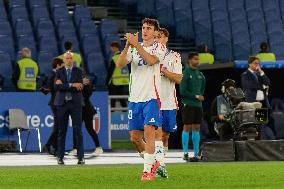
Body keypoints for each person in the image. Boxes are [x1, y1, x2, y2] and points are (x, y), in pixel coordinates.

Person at [116, 18, 166, 181]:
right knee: (134, 138)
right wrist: (127, 46)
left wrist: (136, 44)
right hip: (135, 98)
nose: (145, 30)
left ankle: (147, 172)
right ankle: (153, 163)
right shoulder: (134, 48)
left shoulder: (159, 47)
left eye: (149, 28)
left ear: (155, 32)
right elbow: (120, 64)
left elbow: (151, 60)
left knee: (149, 132)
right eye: (143, 27)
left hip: (151, 97)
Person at [154, 27, 182, 178]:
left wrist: (164, 71)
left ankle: (160, 162)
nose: (157, 39)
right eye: (156, 36)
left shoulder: (174, 56)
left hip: (169, 102)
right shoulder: (150, 55)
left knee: (165, 135)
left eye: (160, 36)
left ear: (166, 39)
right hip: (152, 101)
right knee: (156, 134)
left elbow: (178, 78)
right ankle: (159, 166)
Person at [54, 51, 84, 165]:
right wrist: (72, 85)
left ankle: (81, 157)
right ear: (64, 60)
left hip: (75, 104)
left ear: (73, 60)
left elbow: (80, 85)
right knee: (62, 131)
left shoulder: (78, 71)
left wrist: (64, 85)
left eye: (71, 58)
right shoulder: (59, 71)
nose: (69, 60)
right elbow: (56, 86)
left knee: (78, 131)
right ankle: (60, 157)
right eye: (67, 58)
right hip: (62, 104)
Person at [69, 74, 103, 156]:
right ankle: (75, 149)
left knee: (90, 129)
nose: (86, 80)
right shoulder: (77, 86)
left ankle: (98, 147)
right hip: (78, 111)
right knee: (76, 129)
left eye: (86, 79)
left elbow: (85, 96)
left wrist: (83, 86)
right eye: (83, 79)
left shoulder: (88, 87)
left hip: (87, 111)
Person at [180, 52, 205, 162]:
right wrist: (195, 96)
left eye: (198, 59)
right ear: (190, 60)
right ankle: (185, 153)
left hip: (198, 105)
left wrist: (198, 96)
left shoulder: (200, 75)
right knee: (187, 127)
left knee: (197, 128)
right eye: (195, 59)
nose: (197, 61)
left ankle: (196, 153)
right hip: (188, 104)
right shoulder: (185, 73)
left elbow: (202, 90)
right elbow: (182, 91)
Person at [41, 58, 64, 155]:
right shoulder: (53, 75)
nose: (63, 66)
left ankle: (55, 148)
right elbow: (54, 88)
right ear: (58, 65)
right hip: (55, 103)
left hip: (56, 102)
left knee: (58, 126)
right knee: (58, 127)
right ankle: (48, 145)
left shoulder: (54, 74)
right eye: (62, 65)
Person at [105, 41, 129, 109]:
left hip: (115, 82)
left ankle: (112, 113)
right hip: (123, 81)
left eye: (112, 48)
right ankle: (125, 113)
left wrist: (106, 81)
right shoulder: (125, 56)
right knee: (122, 99)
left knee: (113, 99)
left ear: (115, 48)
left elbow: (110, 71)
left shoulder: (115, 58)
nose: (111, 49)